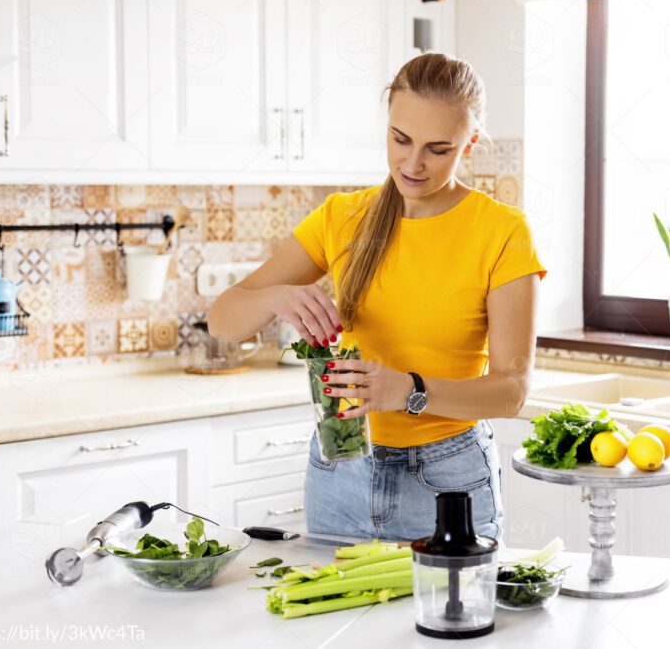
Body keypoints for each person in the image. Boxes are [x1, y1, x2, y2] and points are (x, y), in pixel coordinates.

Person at [207, 53, 547, 541]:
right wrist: (275, 297)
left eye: (438, 149)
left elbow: (511, 391)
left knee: (445, 597)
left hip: (447, 482)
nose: (413, 164)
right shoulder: (342, 217)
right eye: (400, 139)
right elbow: (222, 321)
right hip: (339, 470)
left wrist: (407, 390)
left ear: (469, 143)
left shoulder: (502, 232)